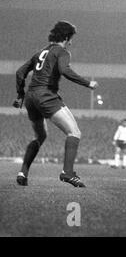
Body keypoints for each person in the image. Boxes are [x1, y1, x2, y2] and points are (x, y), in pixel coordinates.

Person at [14, 21, 98, 187]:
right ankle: (67, 173)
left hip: (31, 97)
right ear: (66, 37)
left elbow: (20, 72)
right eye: (71, 38)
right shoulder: (62, 52)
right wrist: (88, 83)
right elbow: (64, 70)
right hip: (46, 95)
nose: (72, 42)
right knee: (74, 132)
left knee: (40, 136)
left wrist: (20, 95)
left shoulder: (40, 53)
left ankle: (23, 172)